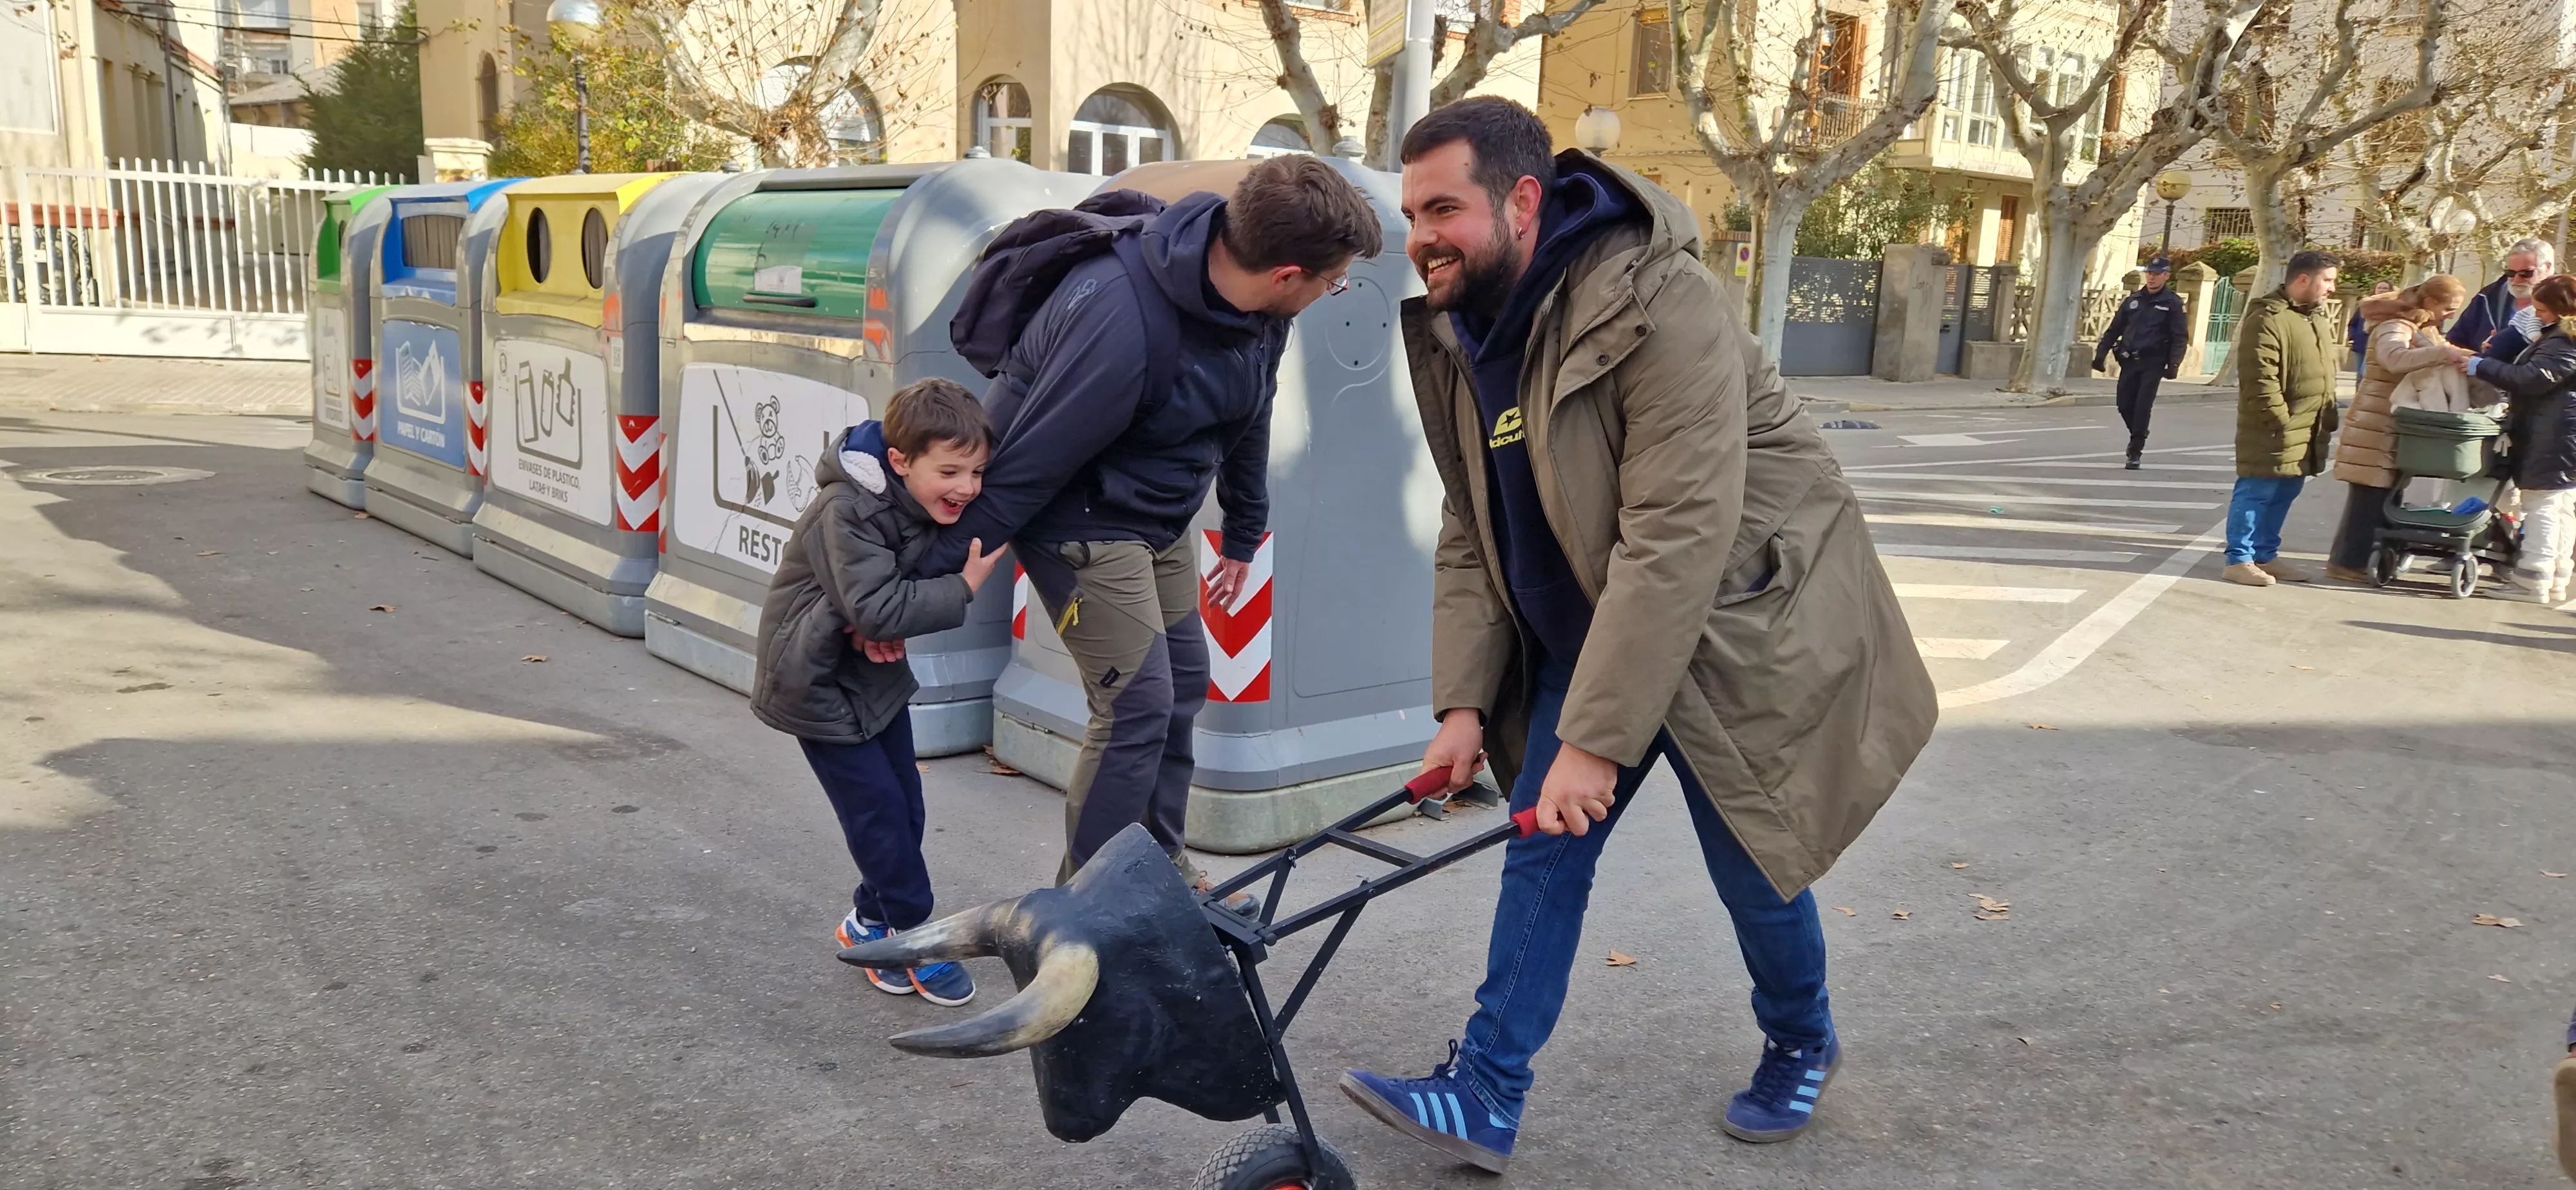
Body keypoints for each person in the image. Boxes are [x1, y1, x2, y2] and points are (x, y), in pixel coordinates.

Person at [1335, 97, 1937, 1174]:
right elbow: (1475, 525)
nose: (1421, 236)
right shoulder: (1465, 324)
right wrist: (1464, 704)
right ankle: (1486, 1090)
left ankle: (1802, 1036)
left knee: (1753, 864)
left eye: (1443, 209)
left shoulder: (1661, 303)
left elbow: (1677, 537)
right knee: (1542, 852)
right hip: (1592, 625)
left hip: (1725, 631)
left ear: (1522, 200)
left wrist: (1595, 743)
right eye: (1411, 212)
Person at [914, 155, 1382, 891]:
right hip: (1076, 516)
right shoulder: (1122, 319)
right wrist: (918, 593)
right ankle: (1086, 909)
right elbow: (1022, 466)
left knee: (1184, 681)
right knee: (1136, 705)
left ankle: (1156, 865)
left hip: (1154, 515)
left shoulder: (1261, 314)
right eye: (1333, 282)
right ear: (1288, 274)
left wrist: (1243, 531)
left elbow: (1251, 413)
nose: (1334, 293)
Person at [749, 378, 1007, 1005]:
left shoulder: (910, 499)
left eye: (976, 472)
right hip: (817, 685)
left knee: (905, 809)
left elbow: (881, 606)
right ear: (900, 461)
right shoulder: (847, 509)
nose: (967, 488)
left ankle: (870, 921)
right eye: (951, 472)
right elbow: (878, 607)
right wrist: (963, 587)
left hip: (872, 677)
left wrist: (882, 620)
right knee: (879, 816)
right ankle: (916, 937)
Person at [2324, 276, 2471, 584]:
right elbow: (2394, 358)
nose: (2451, 315)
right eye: (2449, 308)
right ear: (2429, 302)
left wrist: (2473, 357)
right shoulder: (2396, 324)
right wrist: (2443, 355)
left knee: (2385, 496)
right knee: (2369, 499)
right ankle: (2348, 563)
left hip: (2389, 421)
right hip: (2376, 422)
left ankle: (2363, 560)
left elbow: (2443, 348)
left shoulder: (2421, 326)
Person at [2222, 250, 2343, 588]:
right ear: (2303, 279)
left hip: (2309, 428)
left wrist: (2327, 414)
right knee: (2256, 491)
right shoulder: (2267, 318)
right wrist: (2280, 420)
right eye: (2328, 280)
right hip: (2275, 429)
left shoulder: (2315, 318)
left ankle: (2265, 555)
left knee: (2284, 494)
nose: (2332, 288)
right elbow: (2260, 379)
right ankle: (2239, 559)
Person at [2462, 273, 2576, 604]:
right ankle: (2556, 576)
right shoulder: (2562, 337)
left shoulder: (2564, 341)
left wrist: (2479, 366)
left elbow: (2532, 378)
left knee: (2541, 504)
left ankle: (2532, 579)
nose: (2537, 316)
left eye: (2542, 310)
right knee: (2560, 505)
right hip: (2561, 432)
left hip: (2554, 433)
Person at [2092, 256, 2190, 468]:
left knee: (2143, 406)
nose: (2152, 278)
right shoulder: (2133, 300)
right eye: (2150, 274)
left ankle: (2135, 450)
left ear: (2166, 276)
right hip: (2129, 361)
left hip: (2153, 362)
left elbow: (2180, 336)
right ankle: (2140, 431)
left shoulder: (2172, 303)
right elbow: (2114, 330)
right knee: (2124, 404)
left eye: (2157, 274)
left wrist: (2174, 363)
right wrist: (2100, 355)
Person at [2452, 238, 2555, 361]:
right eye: (2510, 273)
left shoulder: (2566, 303)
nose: (2517, 280)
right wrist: (2484, 352)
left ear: (2547, 268)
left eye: (2526, 273)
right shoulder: (2487, 297)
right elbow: (2455, 342)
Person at [2349, 279, 2395, 377]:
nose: (2382, 290)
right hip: (2361, 343)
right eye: (2379, 288)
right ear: (2375, 290)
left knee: (2365, 372)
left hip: (2377, 344)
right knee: (2359, 374)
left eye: (2385, 288)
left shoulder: (2393, 306)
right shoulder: (2366, 304)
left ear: (2390, 290)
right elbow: (2353, 323)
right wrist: (2354, 336)